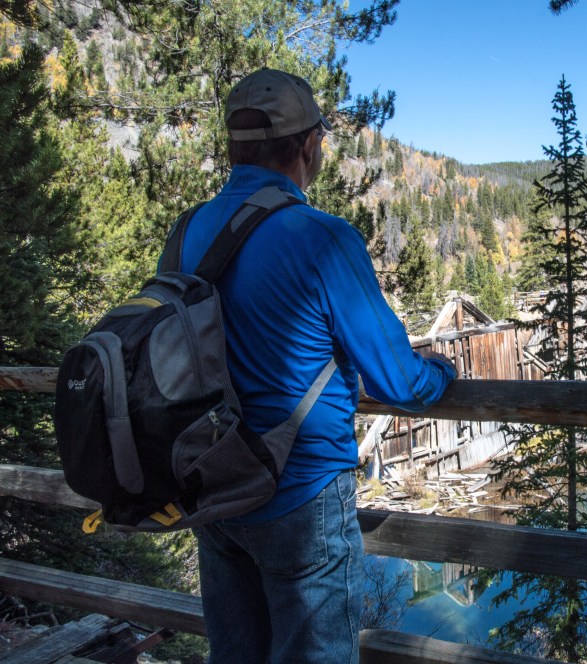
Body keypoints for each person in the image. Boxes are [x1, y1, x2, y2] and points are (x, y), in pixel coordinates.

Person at [172, 68, 457, 664]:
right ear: (308, 145)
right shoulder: (322, 238)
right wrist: (444, 373)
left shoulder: (188, 231)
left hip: (214, 487)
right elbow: (398, 381)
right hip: (300, 497)